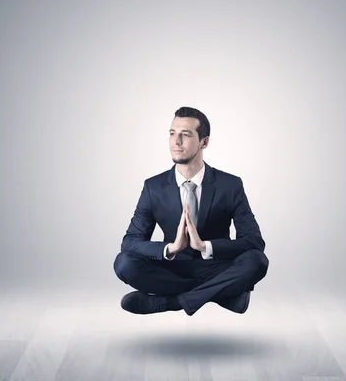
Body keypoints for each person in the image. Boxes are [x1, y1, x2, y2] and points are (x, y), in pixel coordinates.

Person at [113, 106, 269, 316]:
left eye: (185, 135)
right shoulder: (153, 187)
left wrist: (205, 246)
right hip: (172, 269)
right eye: (172, 134)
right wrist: (170, 248)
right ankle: (223, 295)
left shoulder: (230, 185)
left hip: (216, 266)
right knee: (124, 263)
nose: (176, 142)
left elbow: (254, 241)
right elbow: (130, 242)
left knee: (257, 261)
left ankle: (171, 302)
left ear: (204, 142)